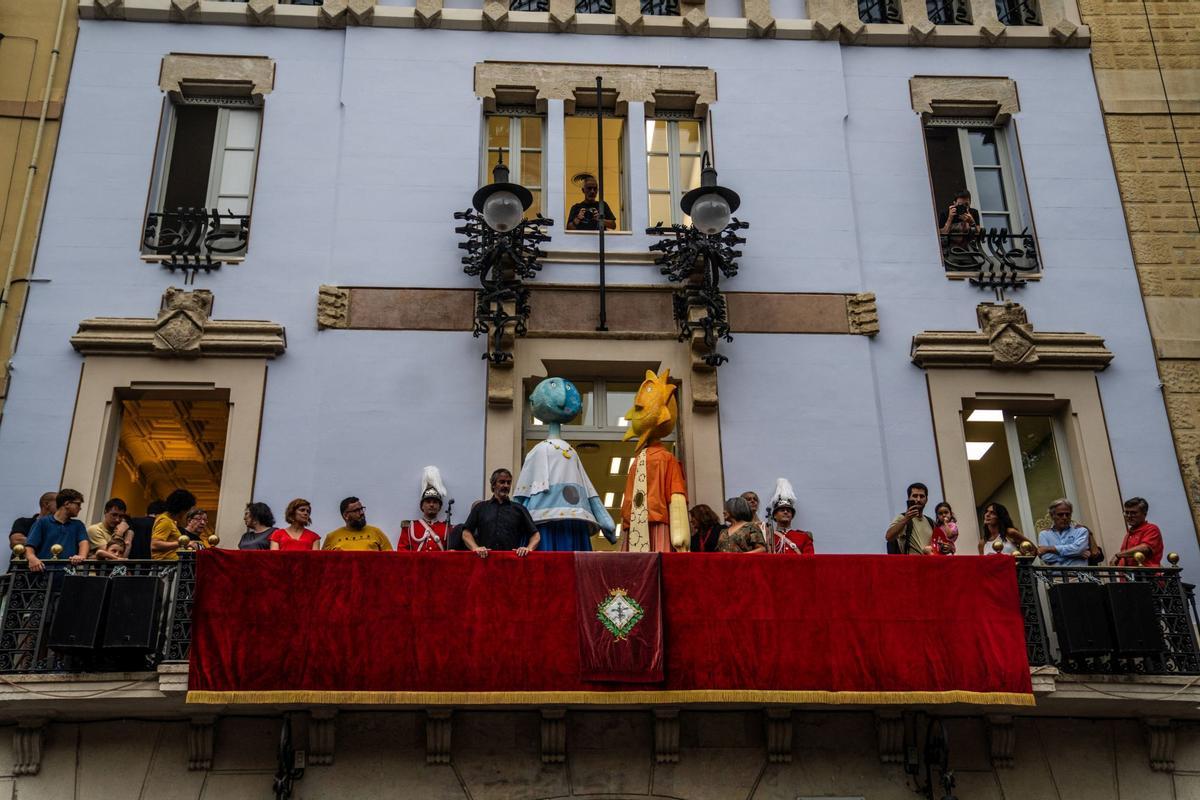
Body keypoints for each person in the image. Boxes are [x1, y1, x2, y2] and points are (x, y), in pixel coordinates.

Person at [462, 469, 539, 558]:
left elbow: (535, 535)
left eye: (508, 482)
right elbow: (466, 533)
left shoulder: (520, 509)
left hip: (511, 562)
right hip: (485, 561)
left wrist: (528, 549)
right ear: (493, 484)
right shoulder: (480, 507)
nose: (506, 485)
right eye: (502, 482)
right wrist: (475, 548)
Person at [25, 489, 90, 572]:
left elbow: (84, 543)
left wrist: (81, 556)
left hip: (67, 575)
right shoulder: (42, 522)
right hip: (42, 576)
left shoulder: (78, 525)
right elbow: (29, 546)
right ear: (67, 504)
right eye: (78, 504)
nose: (80, 508)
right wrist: (32, 558)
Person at [398, 469, 451, 552]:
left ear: (440, 507)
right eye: (428, 502)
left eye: (435, 502)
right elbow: (402, 552)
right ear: (421, 506)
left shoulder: (447, 528)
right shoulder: (409, 527)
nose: (431, 504)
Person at [764, 479, 815, 555]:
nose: (785, 512)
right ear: (774, 515)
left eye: (788, 510)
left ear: (792, 516)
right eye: (782, 510)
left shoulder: (804, 537)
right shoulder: (767, 537)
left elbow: (810, 560)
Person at [323, 497, 392, 552]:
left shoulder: (376, 532)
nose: (362, 512)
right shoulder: (331, 537)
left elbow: (390, 560)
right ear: (346, 515)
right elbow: (322, 564)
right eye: (356, 510)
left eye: (362, 509)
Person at [1111, 496, 1164, 567]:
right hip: (1131, 576)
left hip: (1148, 576)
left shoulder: (1152, 528)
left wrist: (1118, 555)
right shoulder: (1129, 534)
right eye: (1126, 513)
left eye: (1133, 513)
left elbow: (1145, 548)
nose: (1129, 516)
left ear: (1144, 514)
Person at [885, 483, 934, 555]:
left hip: (929, 564)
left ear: (926, 499)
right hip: (910, 564)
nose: (918, 499)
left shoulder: (931, 522)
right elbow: (888, 537)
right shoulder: (902, 518)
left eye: (922, 496)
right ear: (909, 498)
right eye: (915, 496)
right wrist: (906, 519)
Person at [151, 489, 201, 561]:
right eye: (187, 510)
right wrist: (184, 543)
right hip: (165, 567)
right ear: (182, 510)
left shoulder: (170, 521)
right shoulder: (165, 521)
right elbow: (155, 544)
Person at [1037, 498, 1089, 567]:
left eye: (1068, 514)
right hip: (1056, 577)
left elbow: (1078, 549)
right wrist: (1077, 555)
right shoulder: (1044, 534)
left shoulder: (1081, 531)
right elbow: (1046, 557)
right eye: (1060, 515)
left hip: (1079, 576)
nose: (1065, 517)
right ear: (1052, 516)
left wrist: (1049, 549)